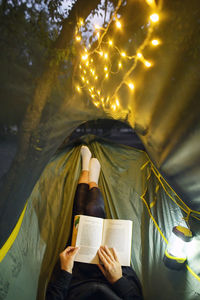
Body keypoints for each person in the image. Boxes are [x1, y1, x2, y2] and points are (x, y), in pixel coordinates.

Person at [46, 146, 143, 300]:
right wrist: (118, 280)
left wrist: (65, 272)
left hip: (77, 278)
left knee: (80, 218)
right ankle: (92, 180)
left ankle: (87, 172)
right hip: (113, 276)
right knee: (91, 211)